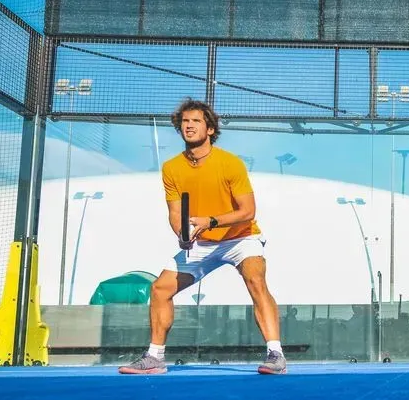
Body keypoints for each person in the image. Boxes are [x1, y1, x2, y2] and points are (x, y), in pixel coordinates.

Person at [119, 98, 285, 375]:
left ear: (210, 129)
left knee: (255, 279)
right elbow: (175, 213)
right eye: (185, 121)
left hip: (241, 238)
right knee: (160, 289)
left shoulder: (230, 164)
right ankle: (155, 358)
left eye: (196, 121)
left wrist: (211, 221)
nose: (189, 126)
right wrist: (182, 234)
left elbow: (248, 211)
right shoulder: (171, 168)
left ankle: (276, 355)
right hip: (201, 243)